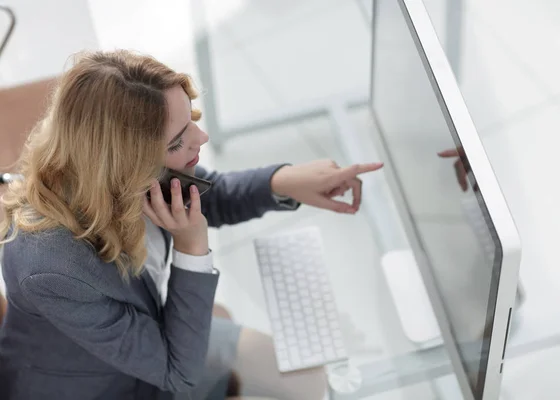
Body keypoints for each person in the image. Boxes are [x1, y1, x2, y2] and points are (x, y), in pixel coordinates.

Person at [0, 50, 383, 400]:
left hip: (154, 343)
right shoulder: (48, 266)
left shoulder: (119, 175)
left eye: (190, 121)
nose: (202, 138)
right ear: (127, 164)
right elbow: (177, 372)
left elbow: (201, 196)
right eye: (179, 140)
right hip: (104, 386)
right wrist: (191, 247)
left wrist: (280, 182)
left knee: (313, 383)